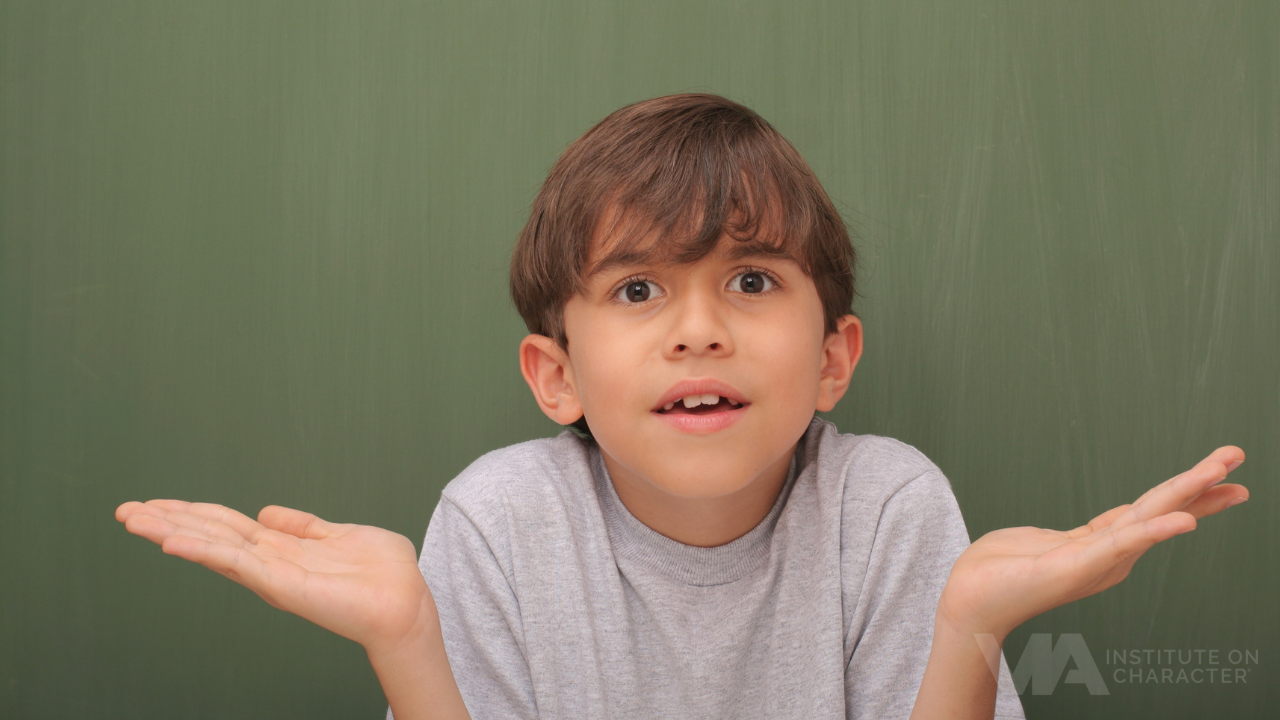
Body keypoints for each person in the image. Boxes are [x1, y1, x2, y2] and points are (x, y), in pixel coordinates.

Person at [115, 94, 1249, 720]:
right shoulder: (499, 522)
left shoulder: (886, 505)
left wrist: (968, 630)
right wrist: (410, 647)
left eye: (751, 281)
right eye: (638, 288)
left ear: (831, 360)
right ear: (554, 374)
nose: (698, 328)